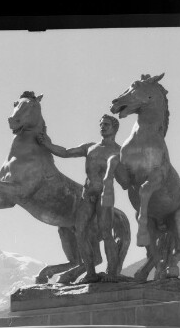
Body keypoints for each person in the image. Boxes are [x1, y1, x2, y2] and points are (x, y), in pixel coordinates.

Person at [37, 115, 122, 282]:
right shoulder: (90, 147)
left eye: (106, 124)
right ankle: (90, 272)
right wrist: (47, 144)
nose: (103, 127)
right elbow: (66, 152)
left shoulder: (119, 151)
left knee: (106, 233)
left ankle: (112, 273)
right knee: (79, 230)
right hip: (87, 194)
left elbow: (126, 179)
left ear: (114, 128)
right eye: (101, 124)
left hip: (105, 195)